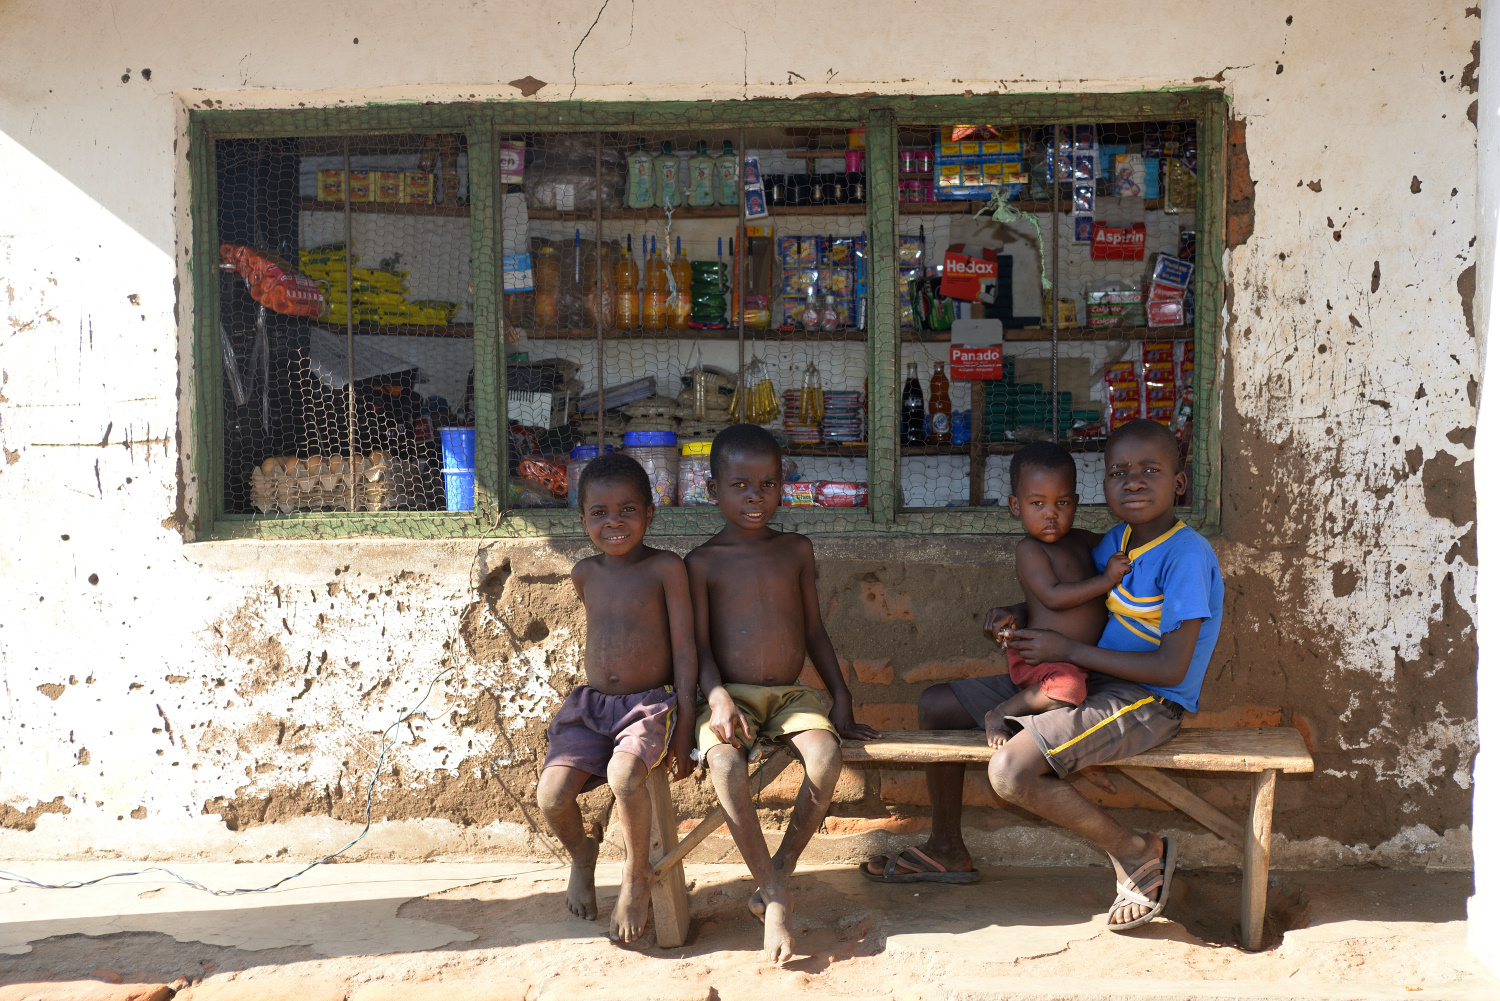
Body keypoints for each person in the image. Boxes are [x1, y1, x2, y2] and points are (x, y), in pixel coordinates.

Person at [865, 420, 1223, 933]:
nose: (1135, 481)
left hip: (1146, 699)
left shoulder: (1186, 556)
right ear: (1103, 487)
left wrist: (1068, 648)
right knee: (937, 705)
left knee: (1010, 772)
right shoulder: (1115, 543)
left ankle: (1139, 853)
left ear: (1179, 483)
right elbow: (1067, 594)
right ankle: (946, 847)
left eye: (1151, 470)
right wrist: (1017, 609)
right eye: (1120, 471)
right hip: (1084, 675)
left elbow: (1171, 667)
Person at [687, 423, 880, 963]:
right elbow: (699, 646)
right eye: (741, 484)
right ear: (713, 490)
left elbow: (815, 631)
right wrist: (717, 696)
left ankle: (781, 869)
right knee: (725, 766)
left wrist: (840, 696)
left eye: (768, 484)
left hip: (791, 696)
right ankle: (773, 897)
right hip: (731, 698)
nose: (755, 496)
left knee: (826, 756)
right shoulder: (701, 562)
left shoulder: (796, 549)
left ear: (783, 486)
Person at [535, 453, 698, 944]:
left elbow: (686, 647)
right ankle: (583, 853)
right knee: (551, 796)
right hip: (592, 707)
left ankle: (635, 872)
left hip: (649, 705)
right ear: (582, 518)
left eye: (627, 510)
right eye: (600, 513)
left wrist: (686, 723)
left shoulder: (666, 568)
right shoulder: (585, 573)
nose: (614, 522)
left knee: (625, 776)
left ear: (651, 514)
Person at [983, 441, 1132, 748]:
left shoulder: (1081, 540)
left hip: (1077, 659)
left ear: (1075, 503)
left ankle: (1056, 744)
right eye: (1038, 504)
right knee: (1069, 689)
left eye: (1061, 503)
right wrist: (1106, 580)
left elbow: (1119, 541)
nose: (1051, 514)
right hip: (1044, 658)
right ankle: (1000, 714)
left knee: (1080, 699)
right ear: (1015, 505)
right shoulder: (1029, 549)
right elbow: (1053, 597)